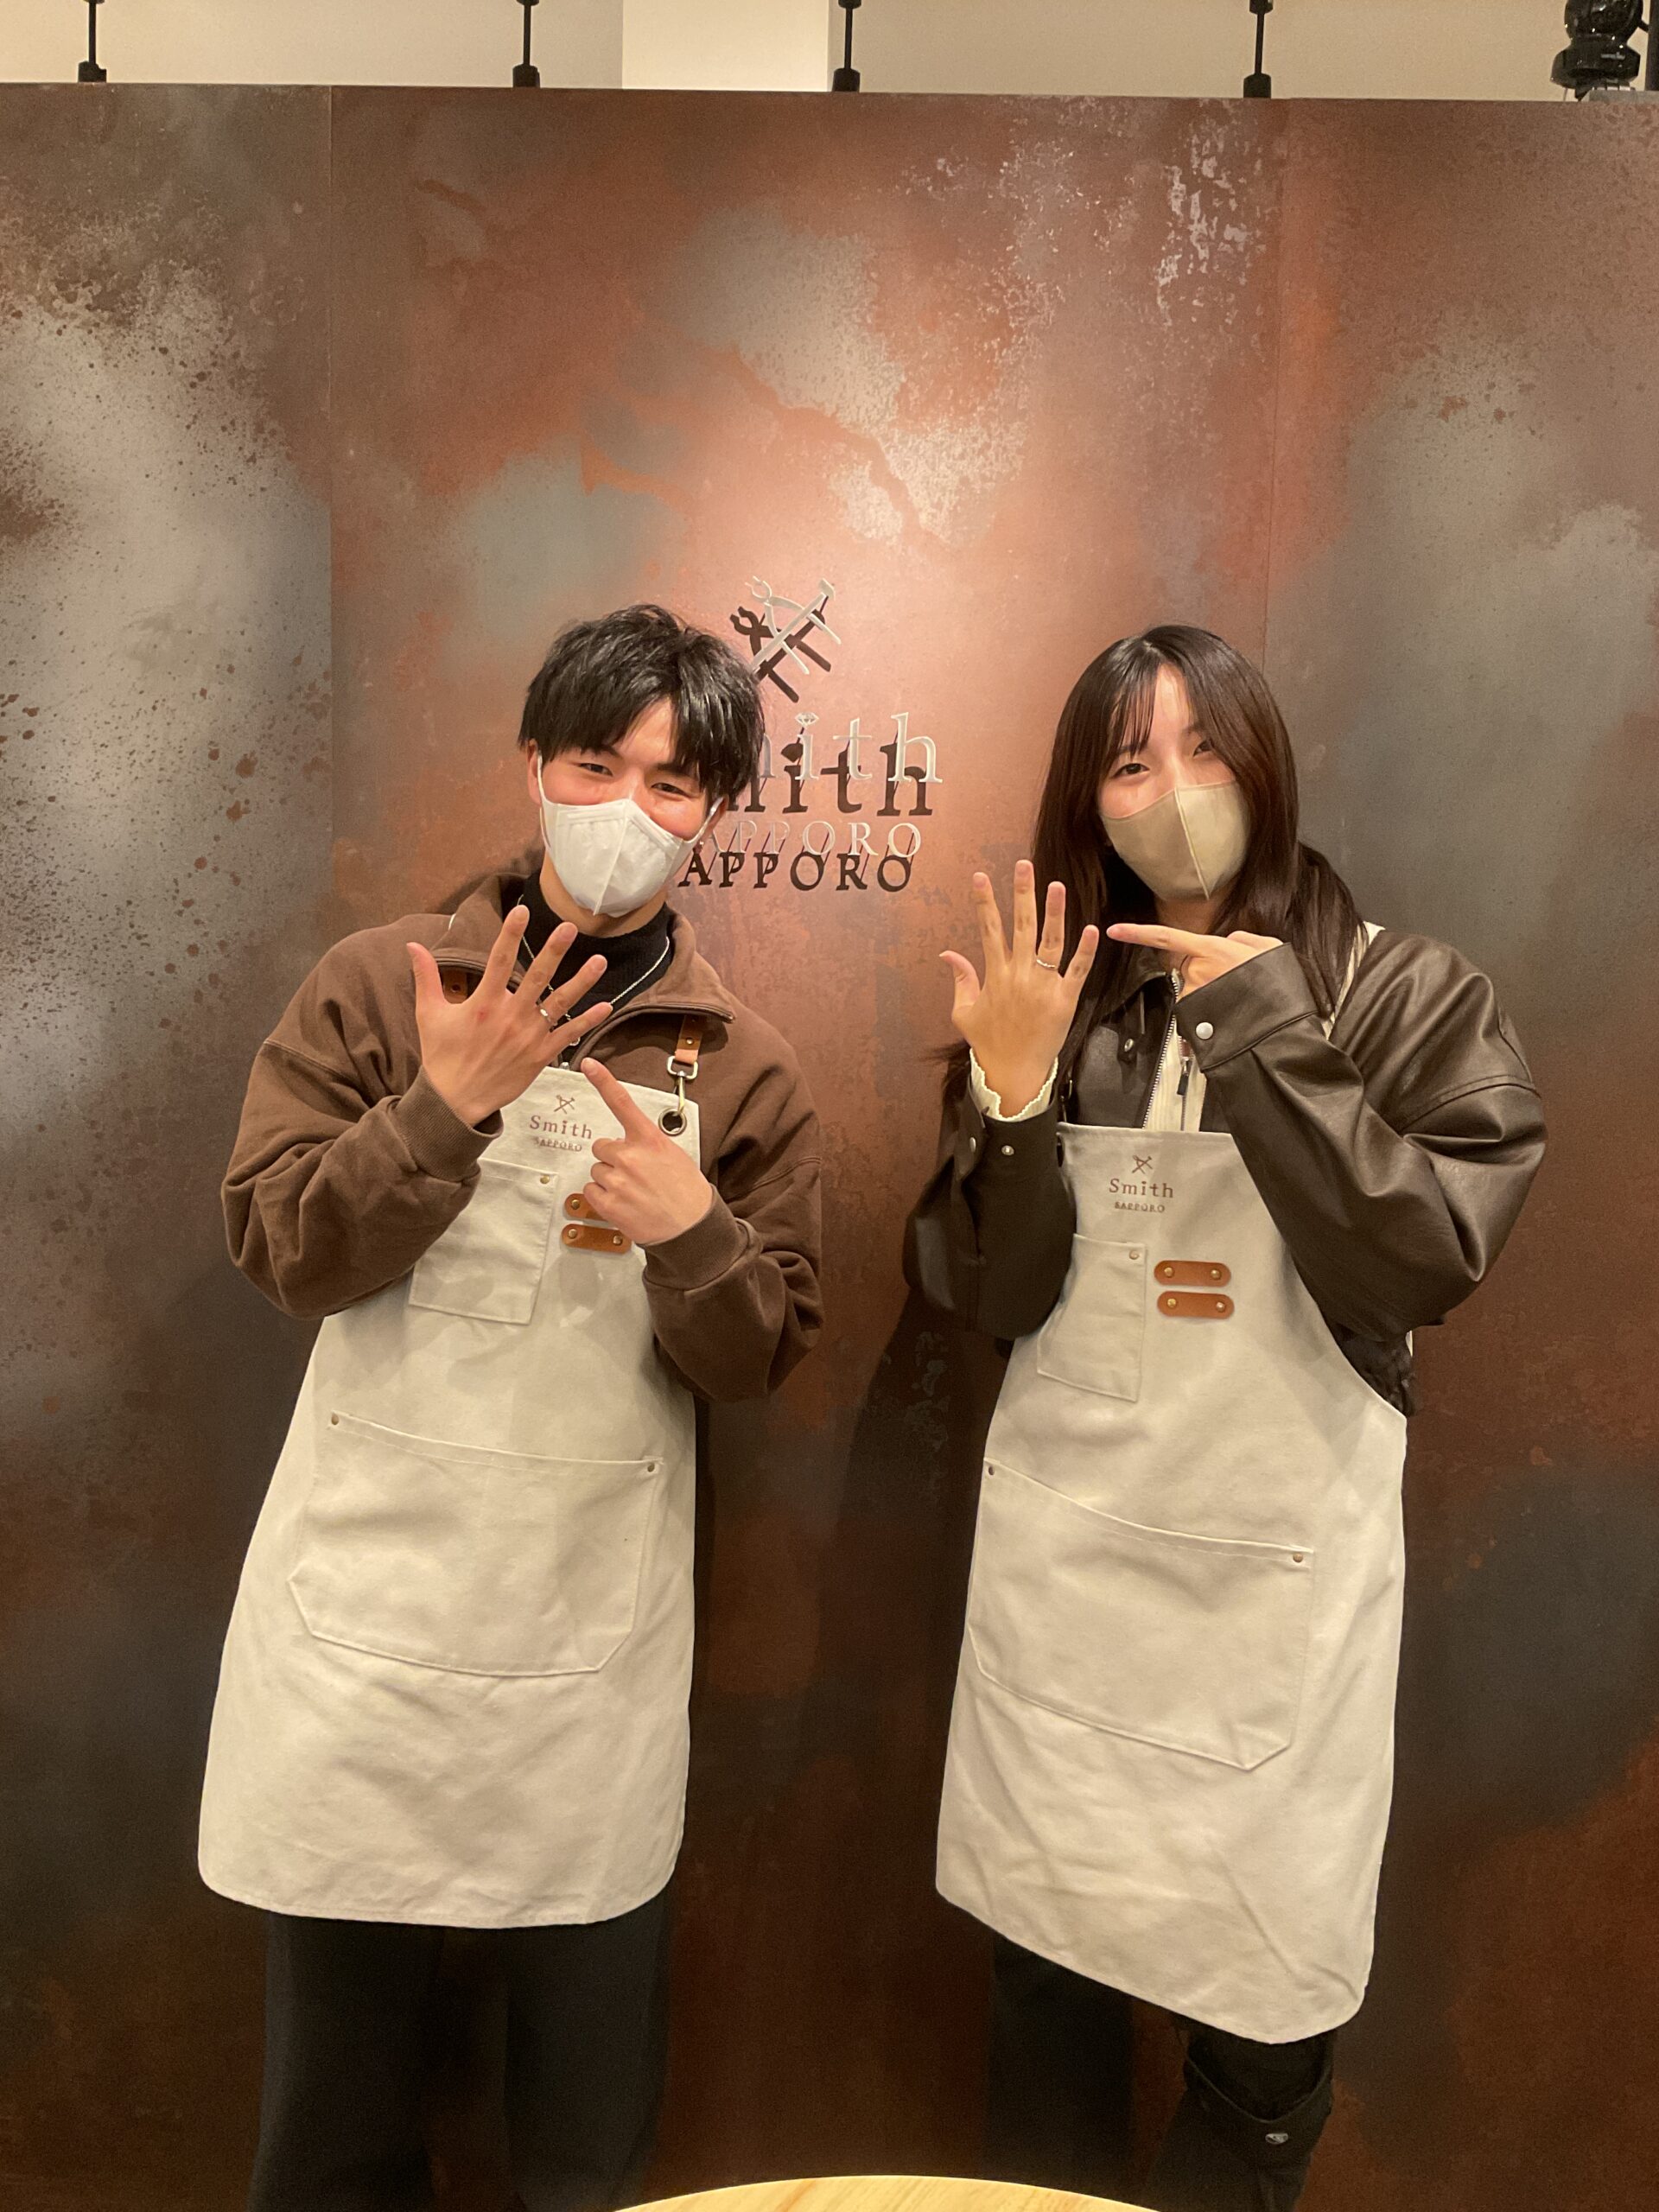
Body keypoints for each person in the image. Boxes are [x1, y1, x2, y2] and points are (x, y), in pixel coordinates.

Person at [905, 625, 1544, 2212]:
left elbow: (1417, 1259)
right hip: (1070, 1612)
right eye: (1130, 764)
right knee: (1043, 2018)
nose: (1174, 794)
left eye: (1205, 750)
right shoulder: (1061, 999)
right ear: (1088, 801)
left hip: (1272, 1624)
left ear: (1266, 762)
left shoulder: (1411, 997)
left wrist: (1259, 1027)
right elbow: (997, 1297)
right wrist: (1012, 1096)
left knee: (1261, 2062)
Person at [200, 603, 823, 2212]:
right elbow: (280, 1249)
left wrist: (696, 1236)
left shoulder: (740, 1064)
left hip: (584, 1665)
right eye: (598, 764)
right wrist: (440, 1109)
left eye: (674, 784)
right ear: (533, 762)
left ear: (714, 813)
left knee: (583, 2145)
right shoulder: (381, 985)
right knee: (332, 2138)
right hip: (364, 1643)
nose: (629, 810)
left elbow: (759, 1359)